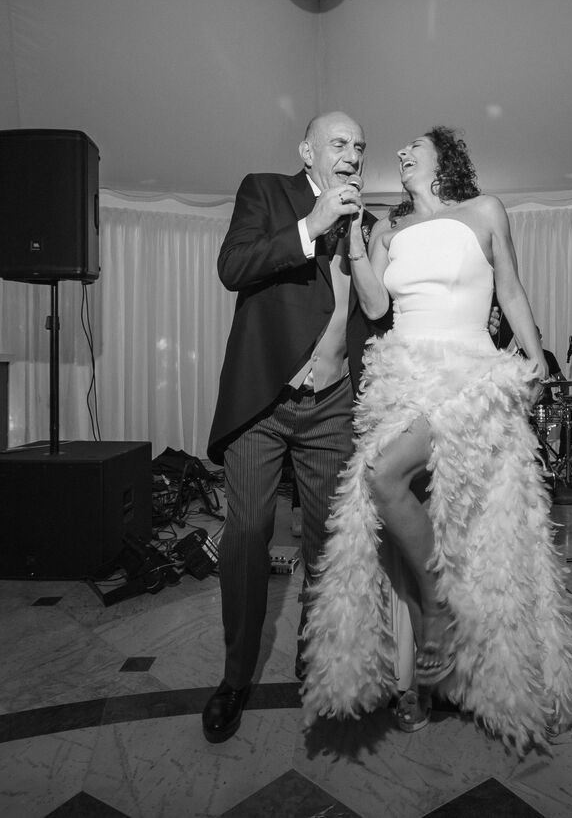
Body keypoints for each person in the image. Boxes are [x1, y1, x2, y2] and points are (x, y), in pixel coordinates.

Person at [299, 126, 572, 751]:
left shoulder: (484, 210)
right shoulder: (387, 228)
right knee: (401, 527)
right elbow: (375, 306)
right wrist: (355, 240)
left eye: (415, 146)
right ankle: (421, 672)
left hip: (470, 379)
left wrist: (536, 358)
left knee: (411, 492)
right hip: (401, 380)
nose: (401, 152)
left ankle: (467, 649)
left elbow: (510, 288)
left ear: (445, 158)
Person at [203, 111, 382, 744]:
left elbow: (375, 311)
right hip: (263, 401)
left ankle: (317, 647)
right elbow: (234, 267)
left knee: (327, 543)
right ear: (307, 151)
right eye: (339, 142)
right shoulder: (266, 192)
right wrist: (313, 225)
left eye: (360, 146)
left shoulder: (367, 222)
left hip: (332, 405)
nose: (352, 154)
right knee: (247, 535)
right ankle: (235, 676)